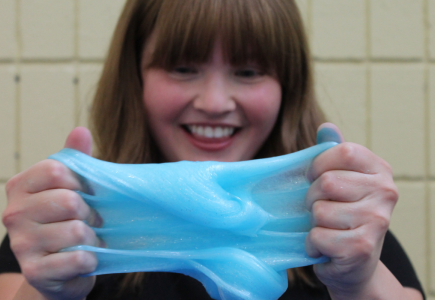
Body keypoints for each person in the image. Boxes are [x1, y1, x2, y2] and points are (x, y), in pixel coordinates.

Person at [0, 0, 425, 299]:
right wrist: (46, 291)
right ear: (136, 79)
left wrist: (360, 284)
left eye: (247, 71)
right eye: (183, 68)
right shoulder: (63, 230)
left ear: (287, 88)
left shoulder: (346, 235)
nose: (215, 102)